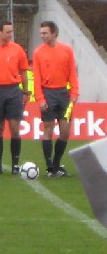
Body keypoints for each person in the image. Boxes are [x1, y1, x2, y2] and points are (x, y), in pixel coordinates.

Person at [31, 20, 80, 177]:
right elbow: (36, 78)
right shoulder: (38, 52)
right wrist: (40, 99)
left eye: (45, 33)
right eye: (41, 33)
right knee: (48, 129)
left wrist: (74, 93)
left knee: (65, 131)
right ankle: (49, 166)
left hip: (63, 94)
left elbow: (72, 73)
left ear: (54, 33)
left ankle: (57, 163)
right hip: (48, 93)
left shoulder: (67, 50)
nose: (42, 36)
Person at [0, 20, 31, 175]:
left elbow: (24, 72)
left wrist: (26, 91)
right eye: (8, 32)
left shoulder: (17, 50)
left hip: (13, 91)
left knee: (15, 128)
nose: (11, 34)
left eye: (12, 31)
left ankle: (15, 165)